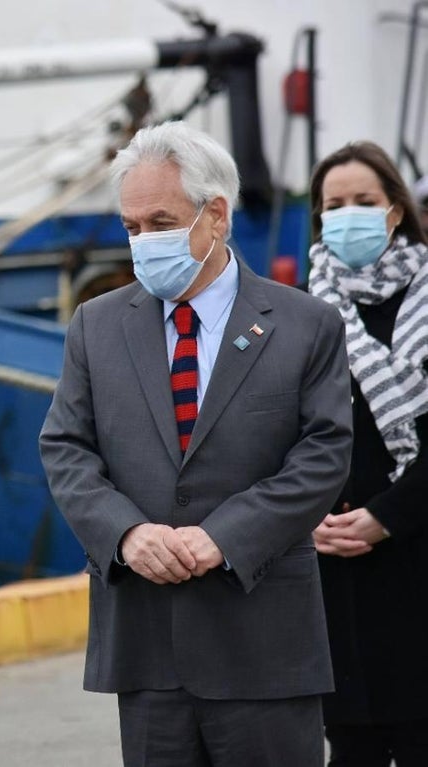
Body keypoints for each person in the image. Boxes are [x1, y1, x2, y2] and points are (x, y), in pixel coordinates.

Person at [39, 121, 353, 767]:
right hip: (149, 652)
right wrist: (126, 534)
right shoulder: (96, 327)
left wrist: (225, 535)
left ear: (216, 216)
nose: (144, 241)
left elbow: (323, 453)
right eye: (131, 227)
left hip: (265, 645)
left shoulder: (305, 324)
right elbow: (66, 449)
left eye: (160, 220)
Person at [306, 141, 428, 766]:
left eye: (364, 201)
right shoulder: (297, 316)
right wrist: (310, 520)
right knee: (350, 745)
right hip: (335, 568)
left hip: (416, 552)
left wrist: (389, 516)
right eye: (334, 205)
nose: (347, 214)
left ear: (396, 211)